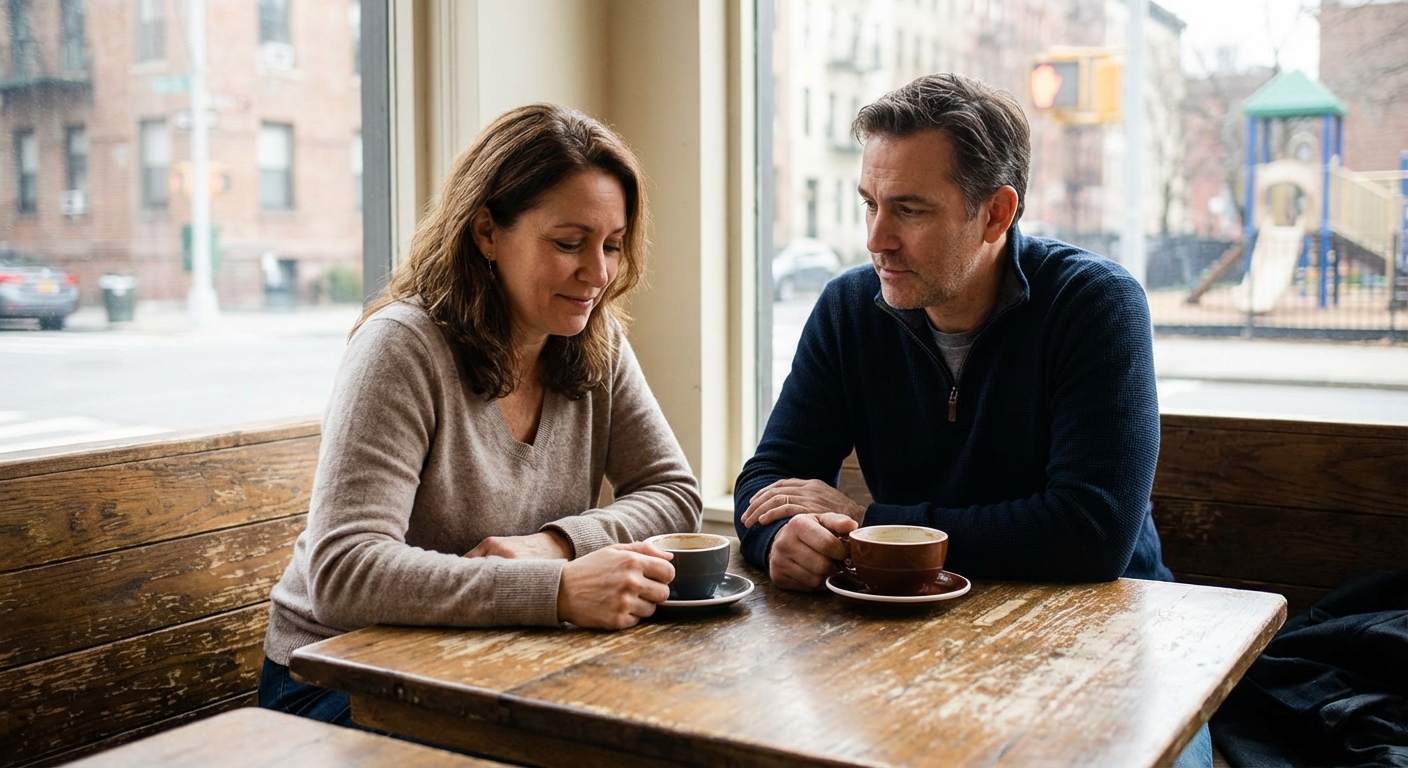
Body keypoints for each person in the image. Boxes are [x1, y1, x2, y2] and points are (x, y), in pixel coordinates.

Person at [735, 72, 1206, 767]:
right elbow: (769, 480)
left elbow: (1091, 532)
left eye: (910, 210)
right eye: (868, 203)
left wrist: (873, 528)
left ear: (995, 213)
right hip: (914, 644)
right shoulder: (848, 309)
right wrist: (781, 537)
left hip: (1111, 644)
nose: (877, 239)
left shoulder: (1094, 304)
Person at [261, 103, 702, 726]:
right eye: (569, 243)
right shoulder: (400, 347)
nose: (597, 273)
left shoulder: (594, 339)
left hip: (489, 663)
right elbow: (345, 571)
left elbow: (672, 493)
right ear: (487, 232)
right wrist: (557, 591)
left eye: (612, 245)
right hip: (335, 679)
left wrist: (554, 547)